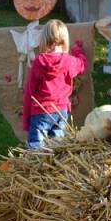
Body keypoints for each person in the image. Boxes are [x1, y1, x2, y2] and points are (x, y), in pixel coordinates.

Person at [22, 19, 87, 149]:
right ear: (65, 40)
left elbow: (30, 91)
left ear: (44, 40)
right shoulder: (70, 61)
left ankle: (36, 167)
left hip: (41, 110)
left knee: (36, 146)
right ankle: (55, 166)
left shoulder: (39, 62)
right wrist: (78, 51)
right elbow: (82, 65)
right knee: (58, 145)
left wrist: (26, 119)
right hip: (61, 111)